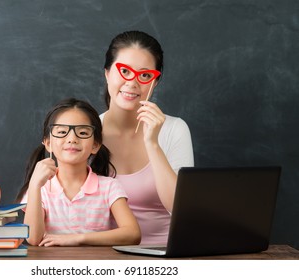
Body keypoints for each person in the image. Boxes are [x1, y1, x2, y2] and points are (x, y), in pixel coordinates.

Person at [100, 31, 194, 244]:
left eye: (144, 75)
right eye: (124, 71)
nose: (132, 83)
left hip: (165, 255)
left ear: (156, 82)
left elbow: (181, 210)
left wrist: (152, 143)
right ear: (107, 73)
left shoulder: (174, 129)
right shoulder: (86, 132)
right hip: (102, 255)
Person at [15, 98, 141, 246]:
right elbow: (33, 238)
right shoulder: (39, 188)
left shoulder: (109, 187)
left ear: (95, 145)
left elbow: (133, 234)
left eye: (82, 132)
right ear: (48, 143)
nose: (72, 139)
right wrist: (35, 185)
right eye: (62, 132)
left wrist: (77, 238)